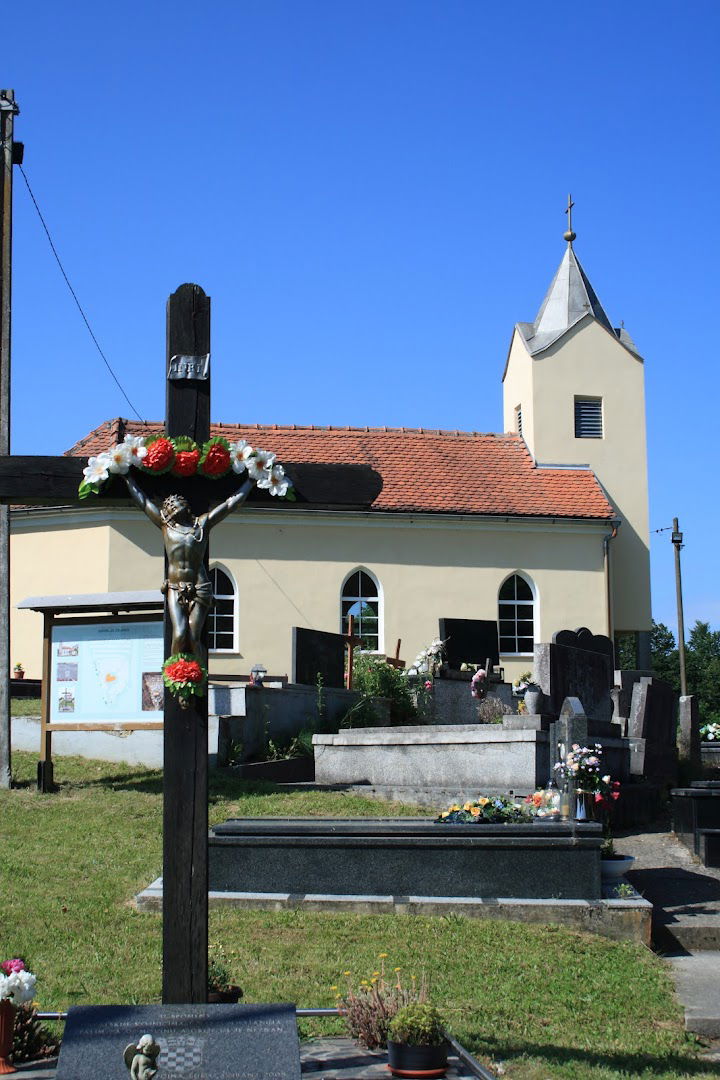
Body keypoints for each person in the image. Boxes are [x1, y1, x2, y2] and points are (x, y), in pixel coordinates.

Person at [123, 472, 253, 660]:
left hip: (200, 587)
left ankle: (197, 675)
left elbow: (230, 505)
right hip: (175, 587)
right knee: (180, 633)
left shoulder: (202, 524)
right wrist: (128, 478)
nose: (173, 505)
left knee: (193, 637)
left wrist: (251, 481)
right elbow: (143, 502)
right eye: (169, 504)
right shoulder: (165, 526)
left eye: (176, 502)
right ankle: (176, 674)